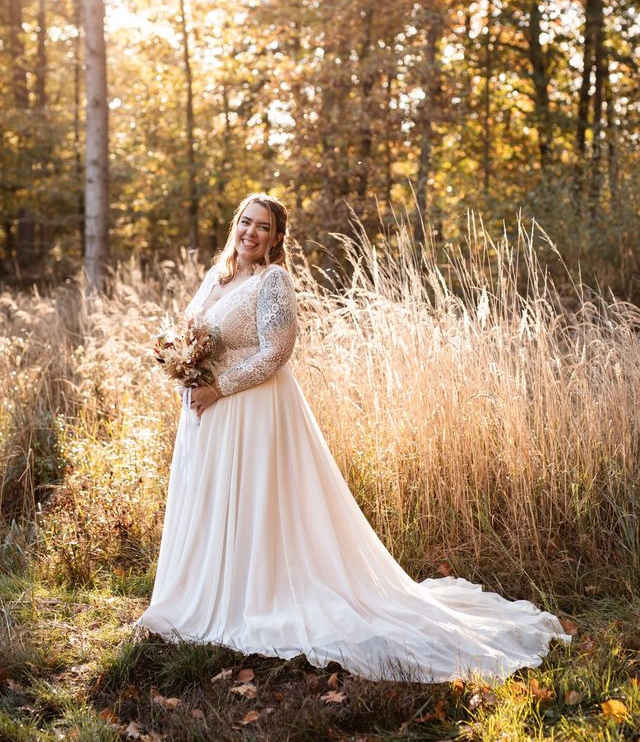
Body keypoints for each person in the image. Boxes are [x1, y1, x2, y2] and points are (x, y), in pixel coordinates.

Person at [134, 192, 571, 683]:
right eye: (245, 222)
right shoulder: (218, 275)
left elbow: (277, 352)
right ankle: (201, 592)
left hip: (249, 410)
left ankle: (249, 597)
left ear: (277, 238)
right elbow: (195, 333)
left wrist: (218, 387)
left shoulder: (273, 281)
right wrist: (184, 366)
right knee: (213, 504)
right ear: (235, 224)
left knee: (253, 506)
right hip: (207, 416)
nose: (250, 233)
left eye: (262, 227)